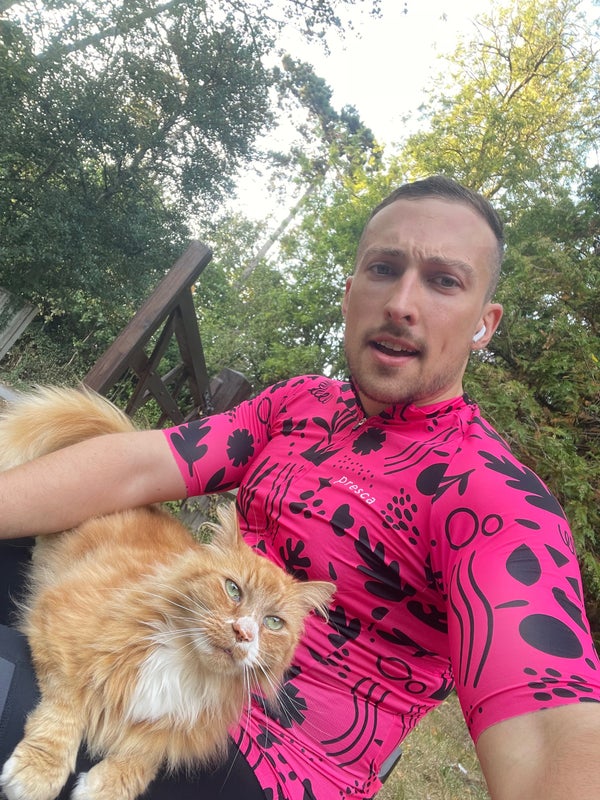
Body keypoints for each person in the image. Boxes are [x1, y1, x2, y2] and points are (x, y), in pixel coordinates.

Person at [1, 175, 599, 800]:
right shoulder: (301, 404)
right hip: (160, 635)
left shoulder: (495, 498)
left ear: (483, 324)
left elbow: (548, 728)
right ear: (350, 293)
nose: (401, 302)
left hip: (270, 756)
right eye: (384, 269)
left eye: (444, 281)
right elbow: (141, 466)